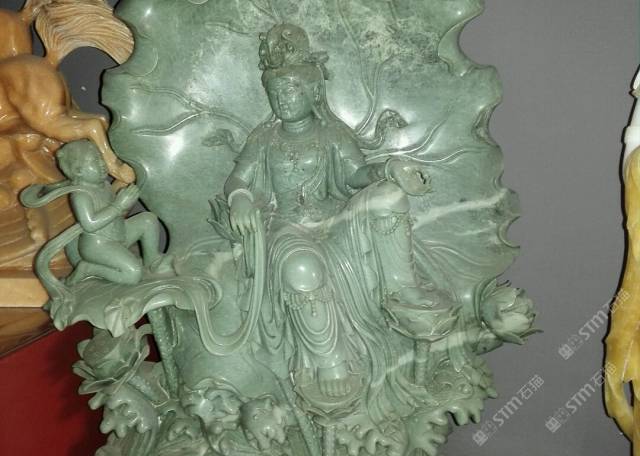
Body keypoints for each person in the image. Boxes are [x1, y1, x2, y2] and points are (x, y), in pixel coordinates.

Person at [221, 24, 457, 416]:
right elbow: (237, 179)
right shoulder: (264, 139)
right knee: (301, 267)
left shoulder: (332, 134)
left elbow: (355, 176)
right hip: (289, 228)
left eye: (291, 90)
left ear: (313, 92)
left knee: (389, 196)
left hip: (335, 221)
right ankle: (328, 358)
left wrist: (389, 169)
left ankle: (401, 289)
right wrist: (240, 197)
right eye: (275, 93)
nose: (282, 99)